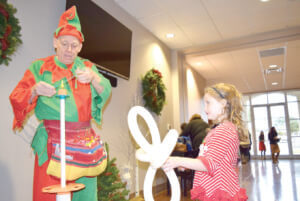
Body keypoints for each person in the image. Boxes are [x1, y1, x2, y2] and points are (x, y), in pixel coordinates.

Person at [9, 6, 111, 201]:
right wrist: (35, 90)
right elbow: (17, 96)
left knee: (84, 195)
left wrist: (93, 79)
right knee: (49, 193)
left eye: (74, 45)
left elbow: (105, 88)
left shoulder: (88, 67)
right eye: (65, 44)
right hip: (51, 144)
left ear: (80, 47)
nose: (69, 50)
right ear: (55, 42)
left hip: (83, 145)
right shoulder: (40, 67)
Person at [163, 83, 248, 201]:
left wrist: (177, 160)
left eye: (208, 102)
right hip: (213, 190)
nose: (205, 108)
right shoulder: (219, 129)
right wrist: (187, 164)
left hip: (219, 193)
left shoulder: (224, 130)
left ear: (223, 104)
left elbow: (209, 164)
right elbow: (207, 159)